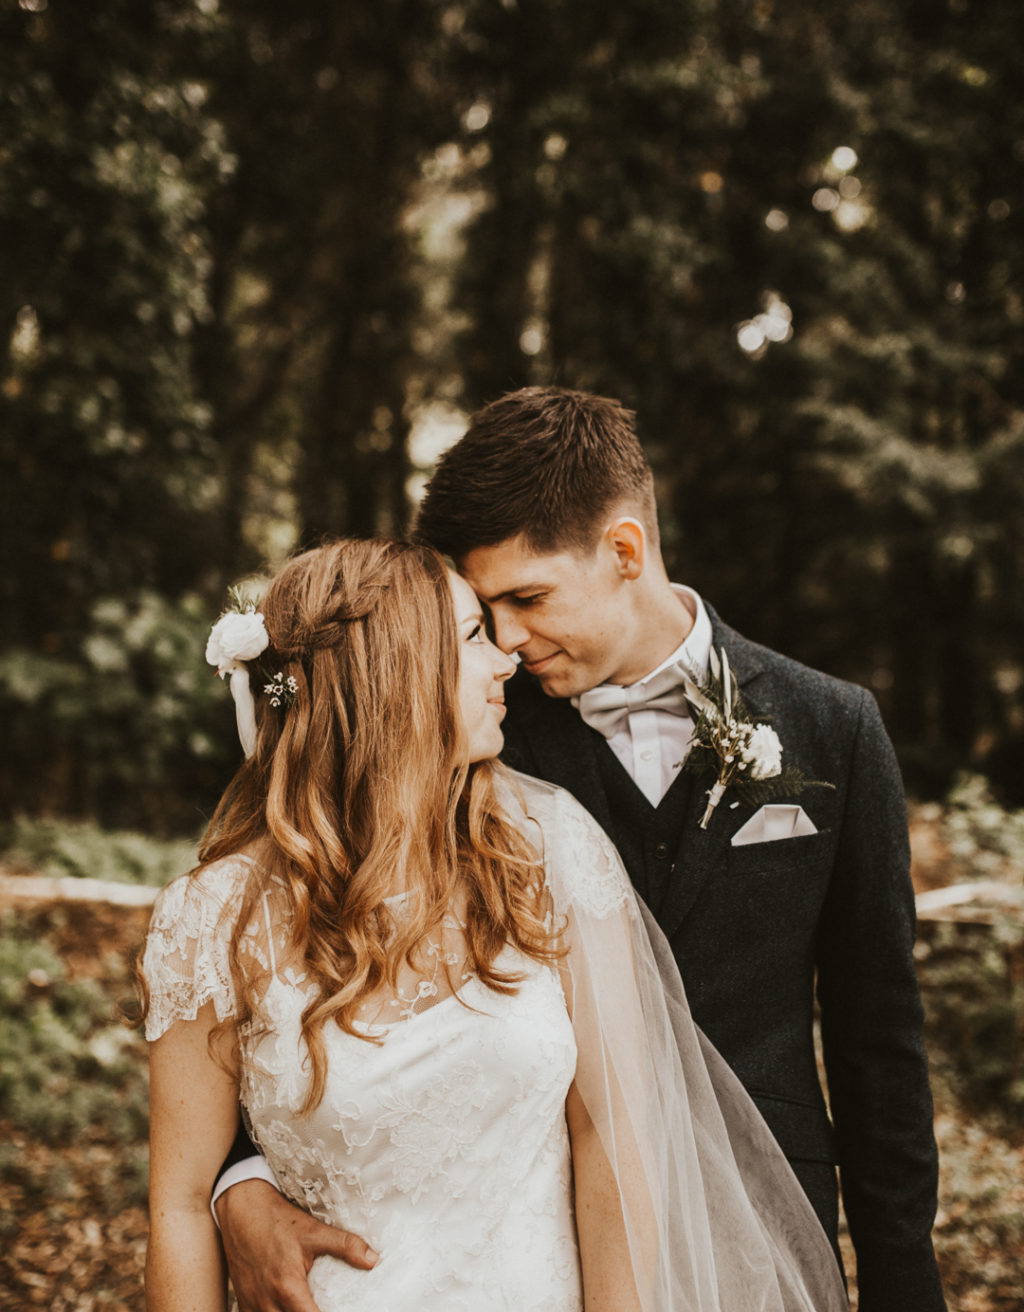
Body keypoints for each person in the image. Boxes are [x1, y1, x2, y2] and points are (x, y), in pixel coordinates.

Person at [213, 390, 946, 1312]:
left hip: (766, 1238)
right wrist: (241, 1177)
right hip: (546, 1242)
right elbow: (308, 939)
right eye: (488, 611)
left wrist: (903, 1287)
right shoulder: (478, 733)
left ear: (625, 552)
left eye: (528, 598)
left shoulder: (831, 728)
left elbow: (879, 1043)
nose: (506, 642)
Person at [141, 535, 847, 1312]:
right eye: (474, 636)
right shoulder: (207, 920)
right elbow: (178, 1205)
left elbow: (614, 1138)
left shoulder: (549, 851)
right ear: (395, 674)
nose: (507, 658)